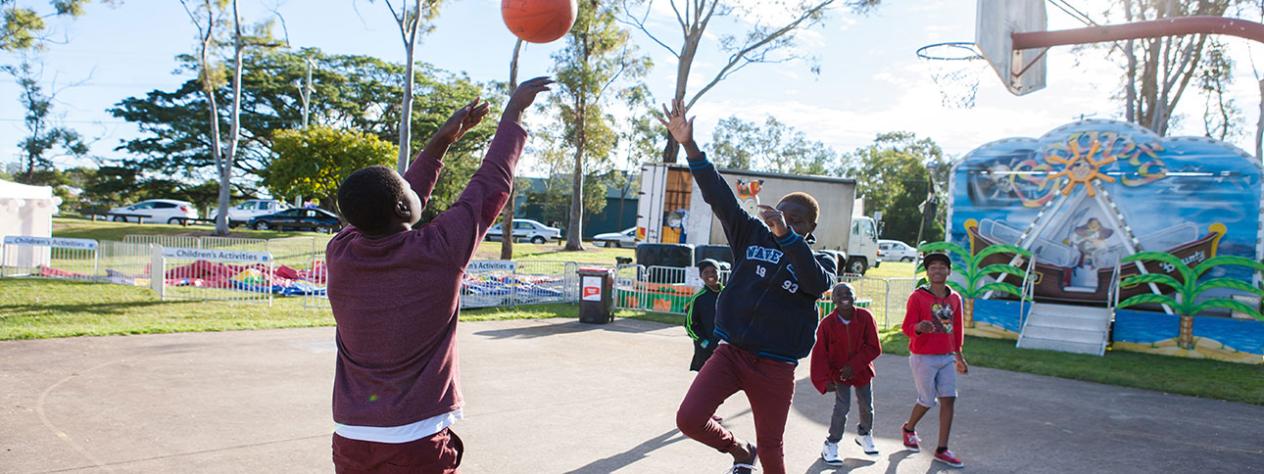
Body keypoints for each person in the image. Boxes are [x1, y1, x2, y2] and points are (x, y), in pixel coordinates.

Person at [325, 77, 553, 474]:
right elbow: (491, 183)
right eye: (408, 194)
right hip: (418, 437)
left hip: (351, 436)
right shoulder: (439, 251)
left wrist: (440, 143)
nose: (416, 195)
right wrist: (513, 112)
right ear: (402, 207)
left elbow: (391, 200)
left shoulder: (340, 253)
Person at [660, 99, 837, 474]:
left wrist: (786, 237)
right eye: (782, 212)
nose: (784, 220)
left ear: (809, 229)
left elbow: (816, 283)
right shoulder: (750, 235)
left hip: (775, 366)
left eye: (796, 219)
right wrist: (689, 145)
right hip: (731, 353)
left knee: (773, 451)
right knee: (689, 419)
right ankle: (741, 452)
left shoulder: (821, 260)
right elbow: (719, 196)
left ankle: (756, 454)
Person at [899, 252, 969, 469]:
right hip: (923, 357)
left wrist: (959, 357)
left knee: (949, 399)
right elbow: (906, 327)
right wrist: (918, 328)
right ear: (927, 272)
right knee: (927, 400)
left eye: (942, 267)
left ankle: (942, 449)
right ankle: (909, 429)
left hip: (947, 357)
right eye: (932, 267)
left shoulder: (955, 298)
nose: (937, 270)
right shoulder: (918, 297)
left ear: (949, 271)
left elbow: (957, 330)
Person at [809, 282, 881, 464]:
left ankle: (865, 434)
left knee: (867, 405)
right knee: (842, 408)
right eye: (839, 294)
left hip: (862, 370)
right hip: (839, 373)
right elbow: (819, 356)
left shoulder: (865, 317)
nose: (844, 297)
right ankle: (831, 444)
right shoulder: (826, 325)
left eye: (848, 293)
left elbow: (874, 347)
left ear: (855, 297)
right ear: (832, 299)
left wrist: (854, 365)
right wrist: (824, 380)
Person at [685, 259, 724, 372]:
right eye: (706, 272)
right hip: (706, 348)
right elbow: (689, 325)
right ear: (701, 276)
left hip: (725, 346)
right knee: (706, 381)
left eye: (713, 271)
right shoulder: (698, 298)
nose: (710, 275)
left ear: (719, 273)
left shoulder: (727, 294)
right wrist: (703, 341)